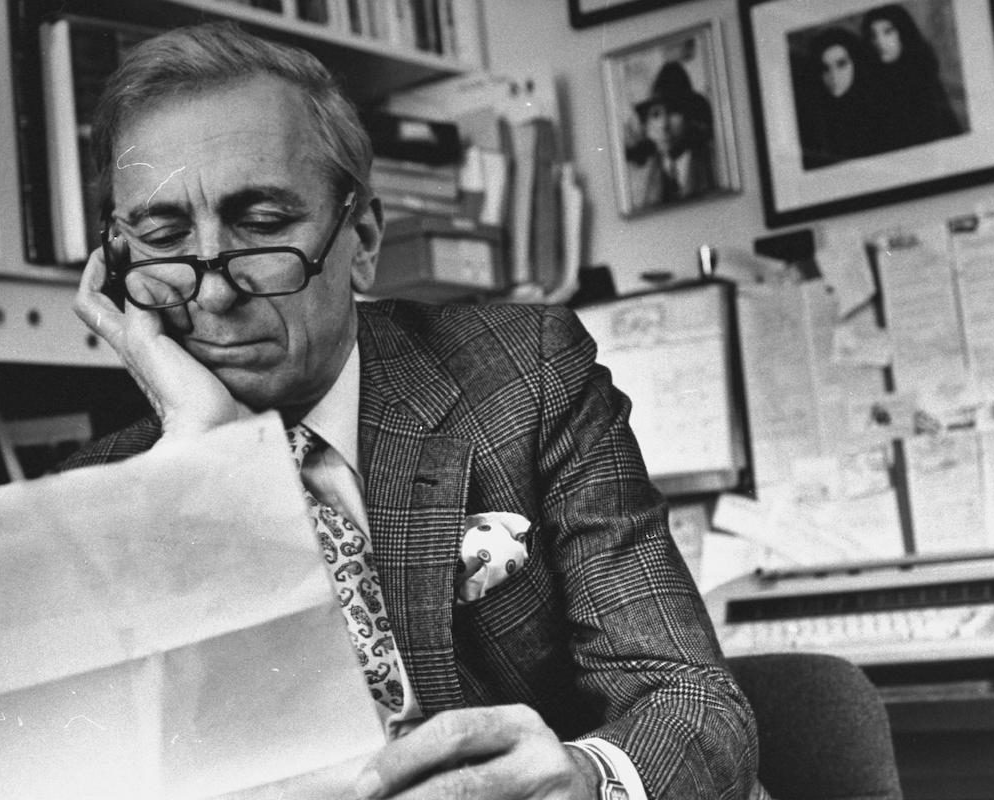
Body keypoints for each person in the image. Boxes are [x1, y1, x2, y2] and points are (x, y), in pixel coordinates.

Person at [62, 20, 758, 799]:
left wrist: (586, 781)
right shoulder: (102, 491)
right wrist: (215, 461)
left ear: (360, 237)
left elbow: (691, 699)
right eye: (162, 235)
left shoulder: (522, 378)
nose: (216, 291)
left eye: (261, 225)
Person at [861, 3, 962, 150]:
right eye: (873, 35)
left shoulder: (923, 76)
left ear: (903, 32)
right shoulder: (870, 86)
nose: (879, 42)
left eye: (888, 31)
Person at [624, 60, 716, 209]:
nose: (664, 125)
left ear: (688, 115)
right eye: (655, 115)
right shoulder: (641, 177)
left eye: (674, 111)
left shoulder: (712, 160)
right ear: (646, 126)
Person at [797, 26, 888, 169]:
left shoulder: (880, 112)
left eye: (841, 64)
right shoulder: (811, 119)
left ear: (856, 64)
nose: (833, 76)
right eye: (825, 68)